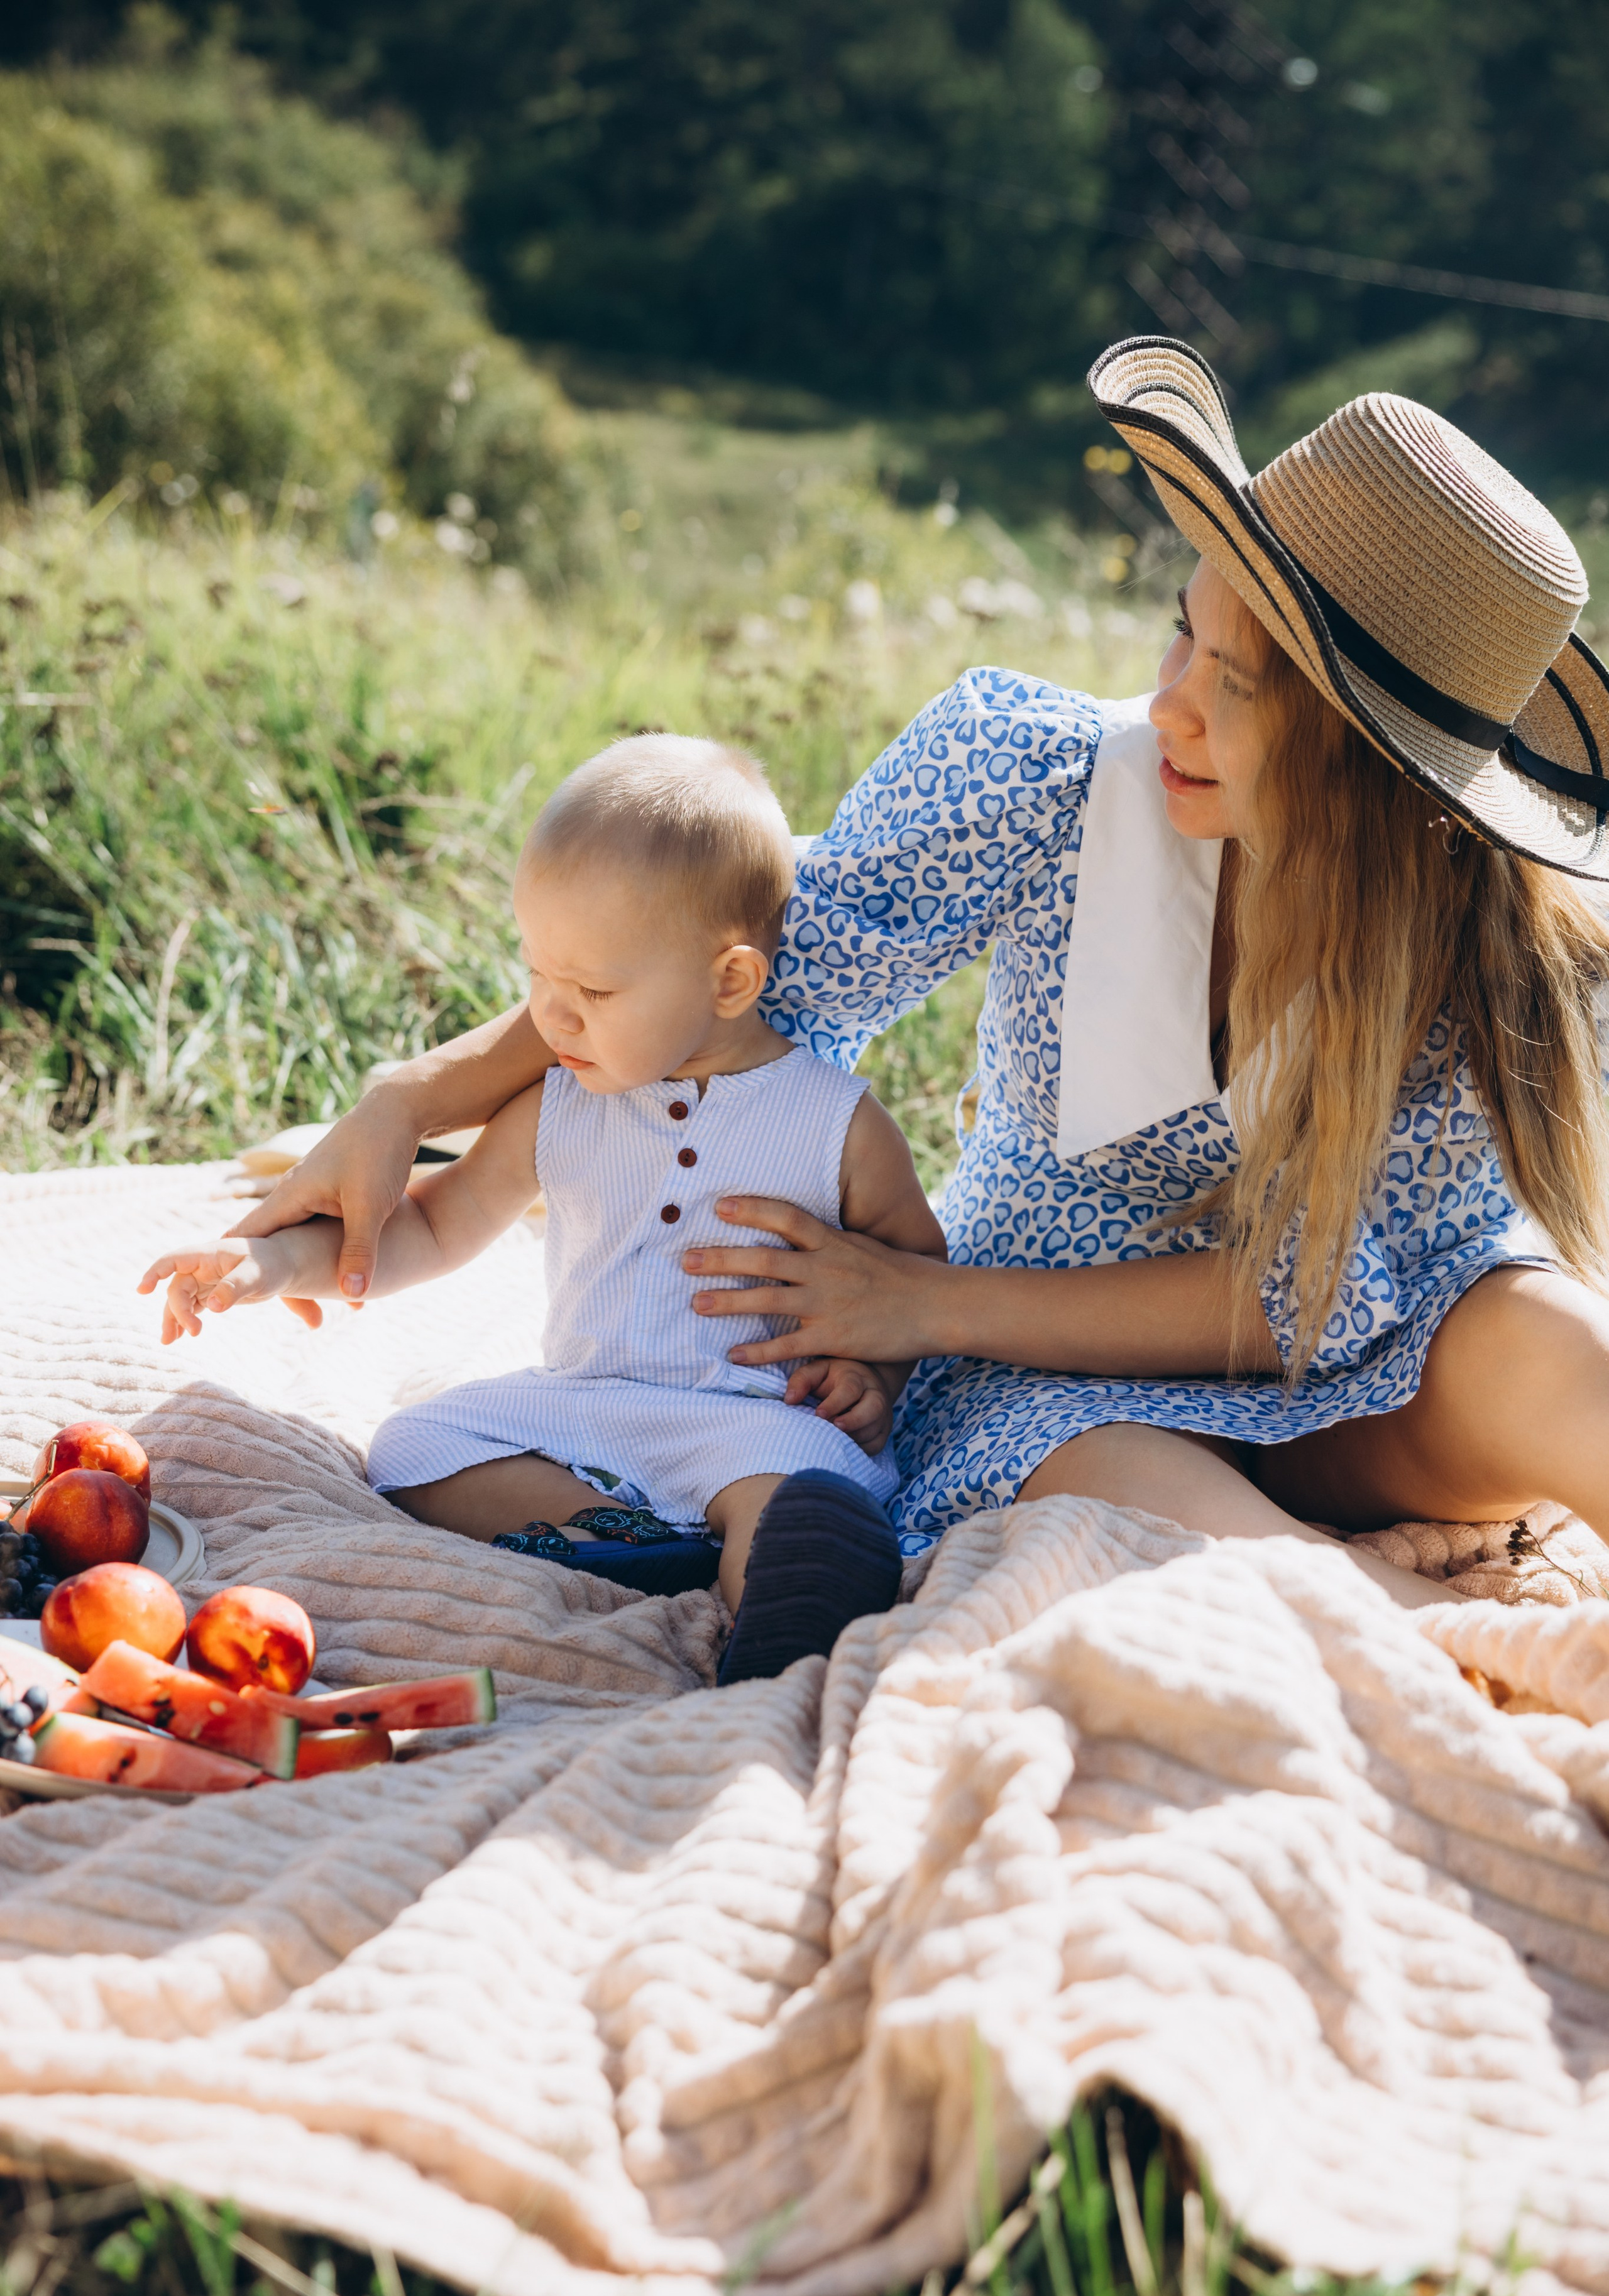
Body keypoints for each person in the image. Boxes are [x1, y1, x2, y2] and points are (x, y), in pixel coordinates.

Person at [233, 337, 1609, 1617]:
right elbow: (729, 971)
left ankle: (1387, 1590)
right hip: (1039, 1363)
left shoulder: (1475, 937)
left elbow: (1303, 1302)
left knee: (1549, 1342)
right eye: (1180, 631)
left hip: (1358, 1374)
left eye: (1236, 684)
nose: (1172, 698)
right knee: (1185, 1525)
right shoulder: (1039, 775)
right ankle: (1410, 1632)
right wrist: (412, 1099)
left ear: (1374, 770)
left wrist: (914, 1304)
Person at [141, 736, 947, 1683]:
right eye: (538, 979)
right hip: (588, 1407)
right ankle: (635, 1543)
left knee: (791, 1499)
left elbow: (913, 1271)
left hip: (747, 1419)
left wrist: (874, 1376)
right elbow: (434, 1225)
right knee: (415, 1446)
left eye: (593, 991)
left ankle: (770, 1627)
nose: (552, 1020)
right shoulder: (560, 1103)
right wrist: (268, 1264)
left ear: (730, 981)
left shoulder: (833, 1122)